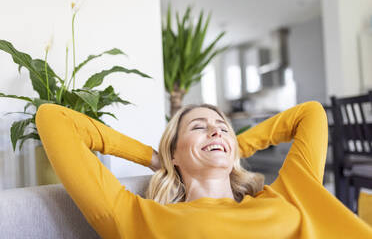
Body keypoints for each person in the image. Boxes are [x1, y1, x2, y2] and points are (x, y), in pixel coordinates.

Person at [35, 101, 372, 238]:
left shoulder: (286, 193)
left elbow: (310, 114)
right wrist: (156, 158)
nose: (216, 131)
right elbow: (54, 118)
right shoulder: (136, 217)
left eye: (222, 127)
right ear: (175, 153)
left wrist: (234, 144)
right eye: (199, 127)